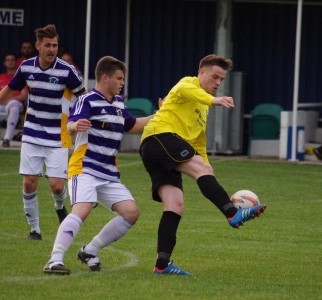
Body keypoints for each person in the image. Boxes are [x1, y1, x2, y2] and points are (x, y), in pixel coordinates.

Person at [139, 54, 266, 275]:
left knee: (175, 205)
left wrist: (207, 169)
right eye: (215, 77)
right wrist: (214, 100)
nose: (217, 83)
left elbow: (198, 141)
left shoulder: (203, 107)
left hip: (159, 149)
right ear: (201, 73)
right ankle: (232, 213)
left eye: (221, 79)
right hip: (160, 137)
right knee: (198, 175)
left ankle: (162, 265)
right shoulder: (187, 83)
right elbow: (193, 92)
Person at [43, 56, 155, 275]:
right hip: (84, 168)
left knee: (131, 212)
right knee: (82, 210)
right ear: (105, 77)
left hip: (108, 173)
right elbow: (71, 125)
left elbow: (133, 125)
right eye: (119, 78)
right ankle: (54, 260)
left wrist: (162, 115)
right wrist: (76, 125)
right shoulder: (88, 100)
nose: (122, 82)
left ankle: (89, 250)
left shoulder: (119, 103)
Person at [0, 24, 86, 240]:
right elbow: (10, 88)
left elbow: (83, 97)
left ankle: (59, 206)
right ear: (38, 46)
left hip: (56, 135)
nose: (52, 49)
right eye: (47, 45)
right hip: (32, 133)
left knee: (56, 186)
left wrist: (83, 117)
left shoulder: (67, 70)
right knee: (29, 182)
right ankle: (35, 230)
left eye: (55, 45)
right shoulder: (27, 67)